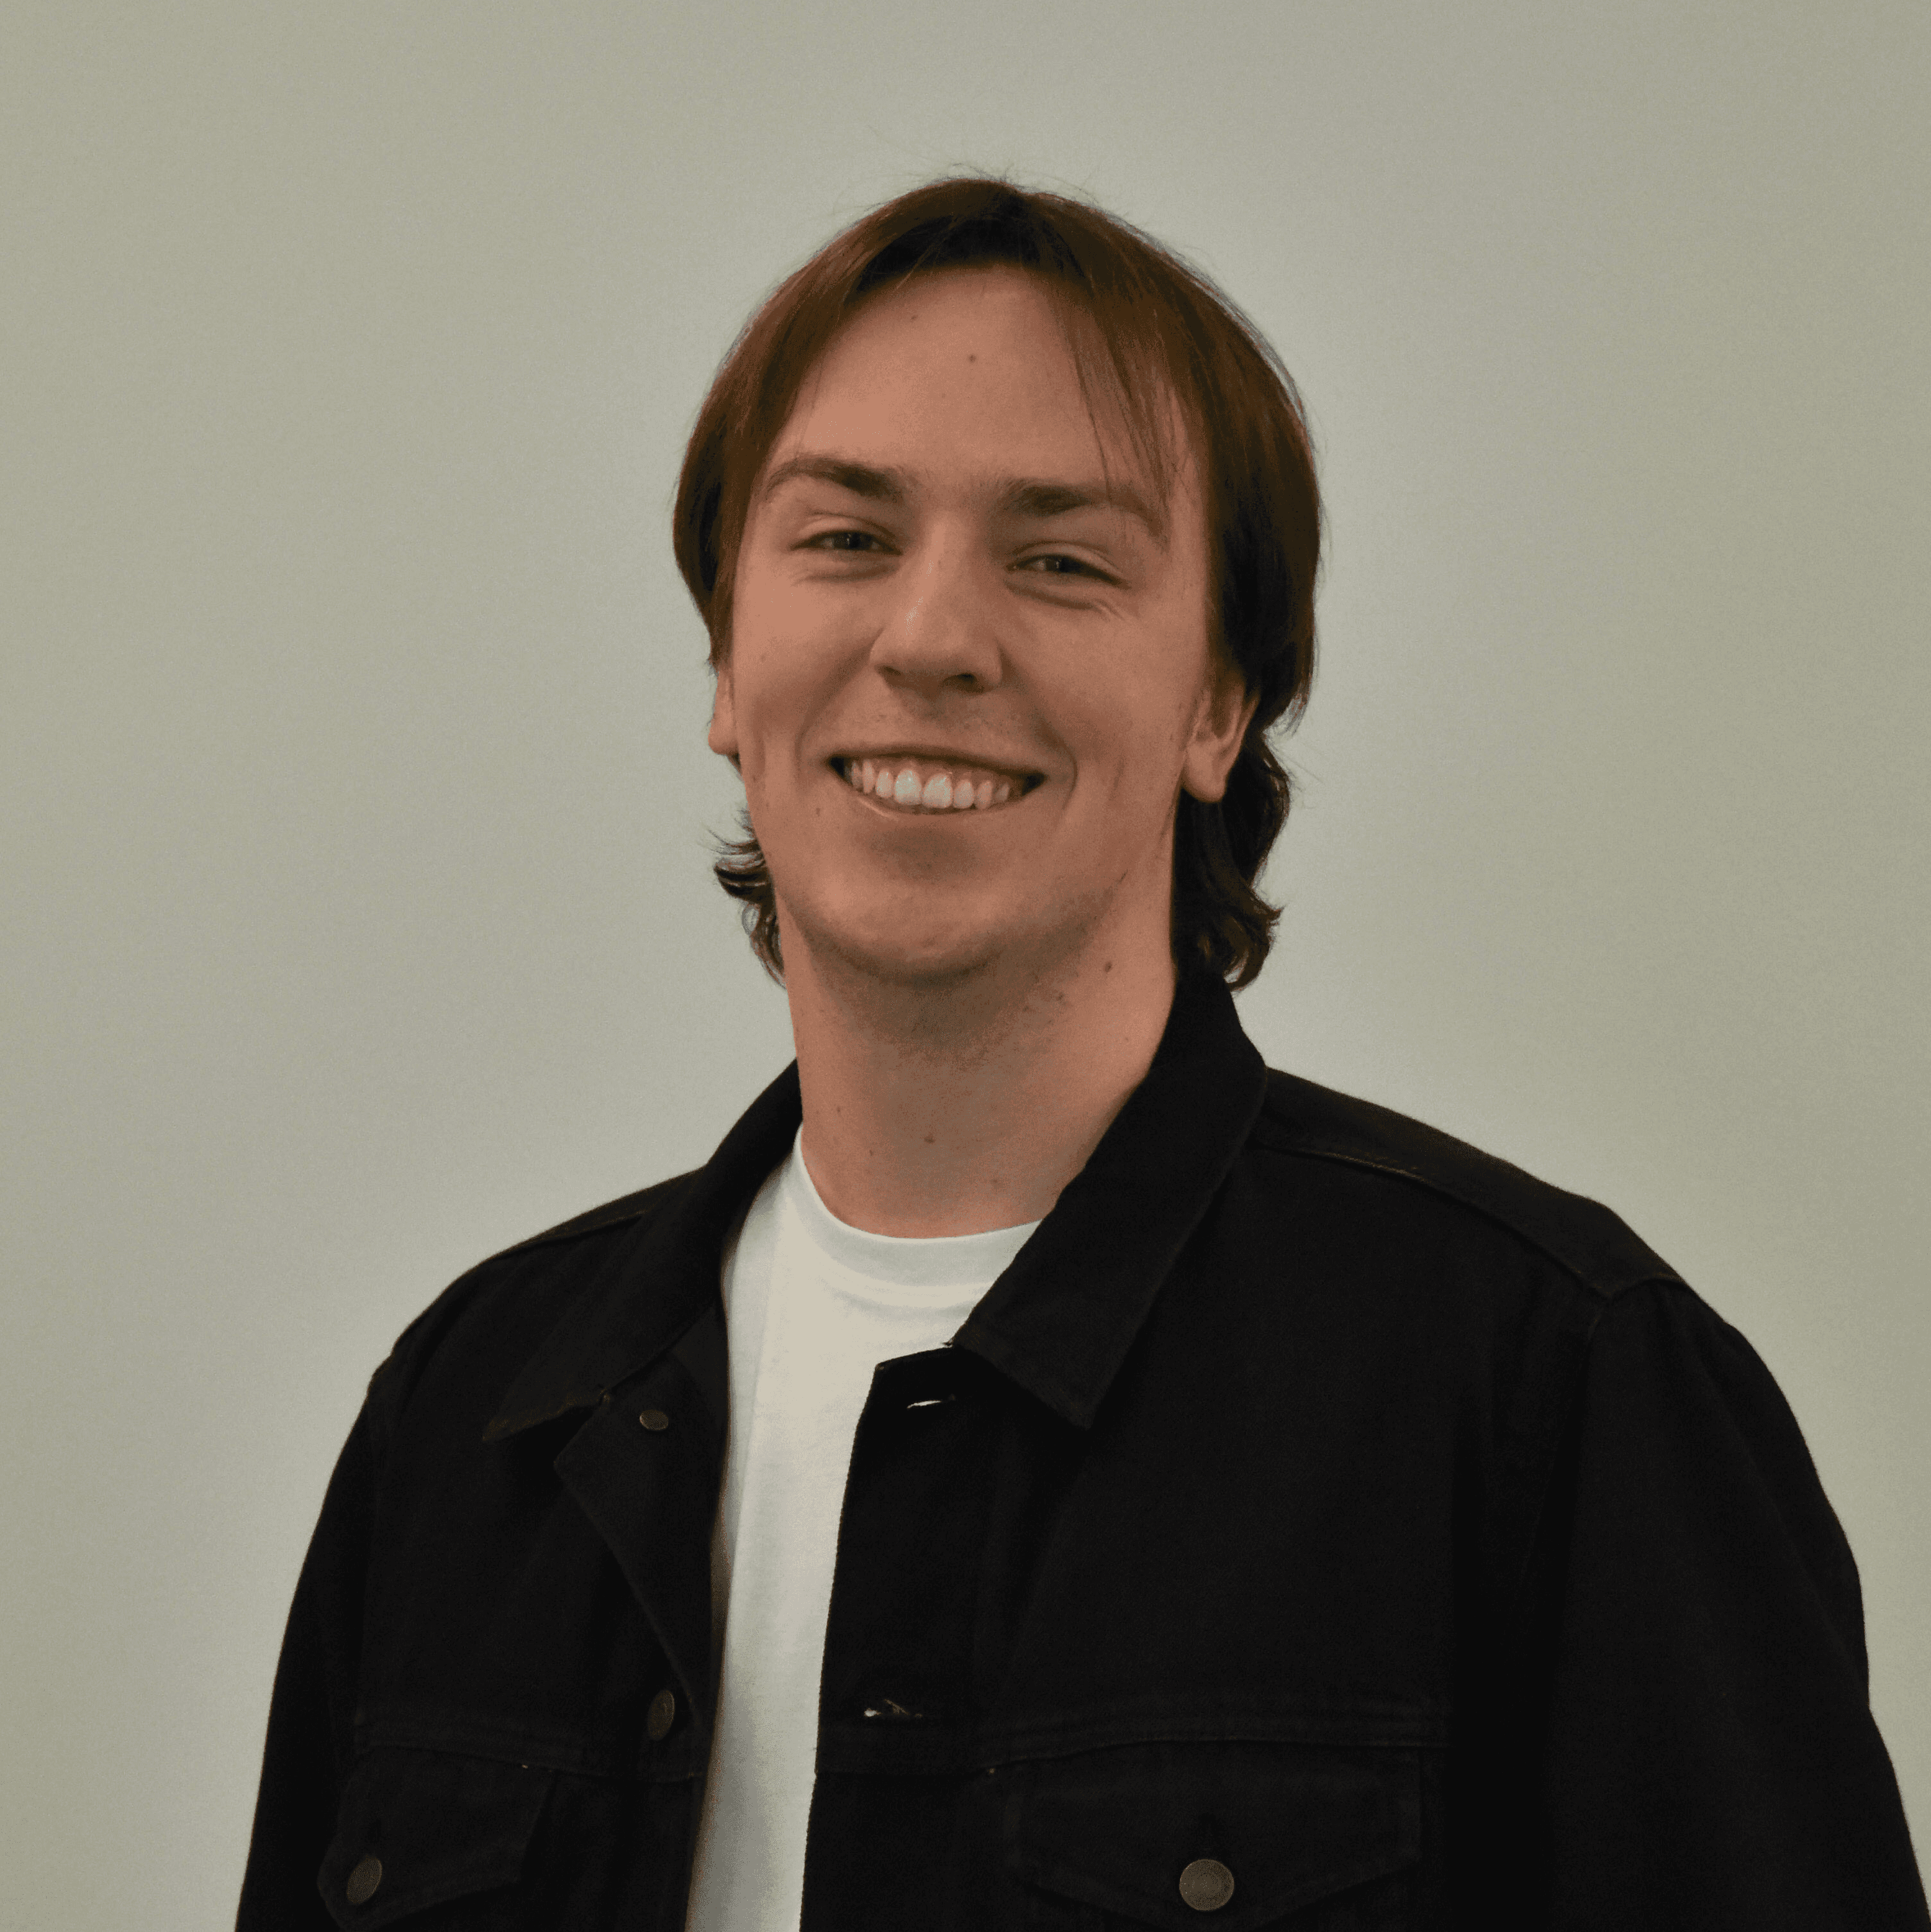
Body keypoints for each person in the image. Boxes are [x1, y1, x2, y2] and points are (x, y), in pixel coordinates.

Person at [236, 177, 1928, 1931]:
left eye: (1060, 560)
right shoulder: (474, 1415)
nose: (934, 639)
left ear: (1221, 705)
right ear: (729, 666)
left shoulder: (1550, 1391)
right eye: (843, 539)